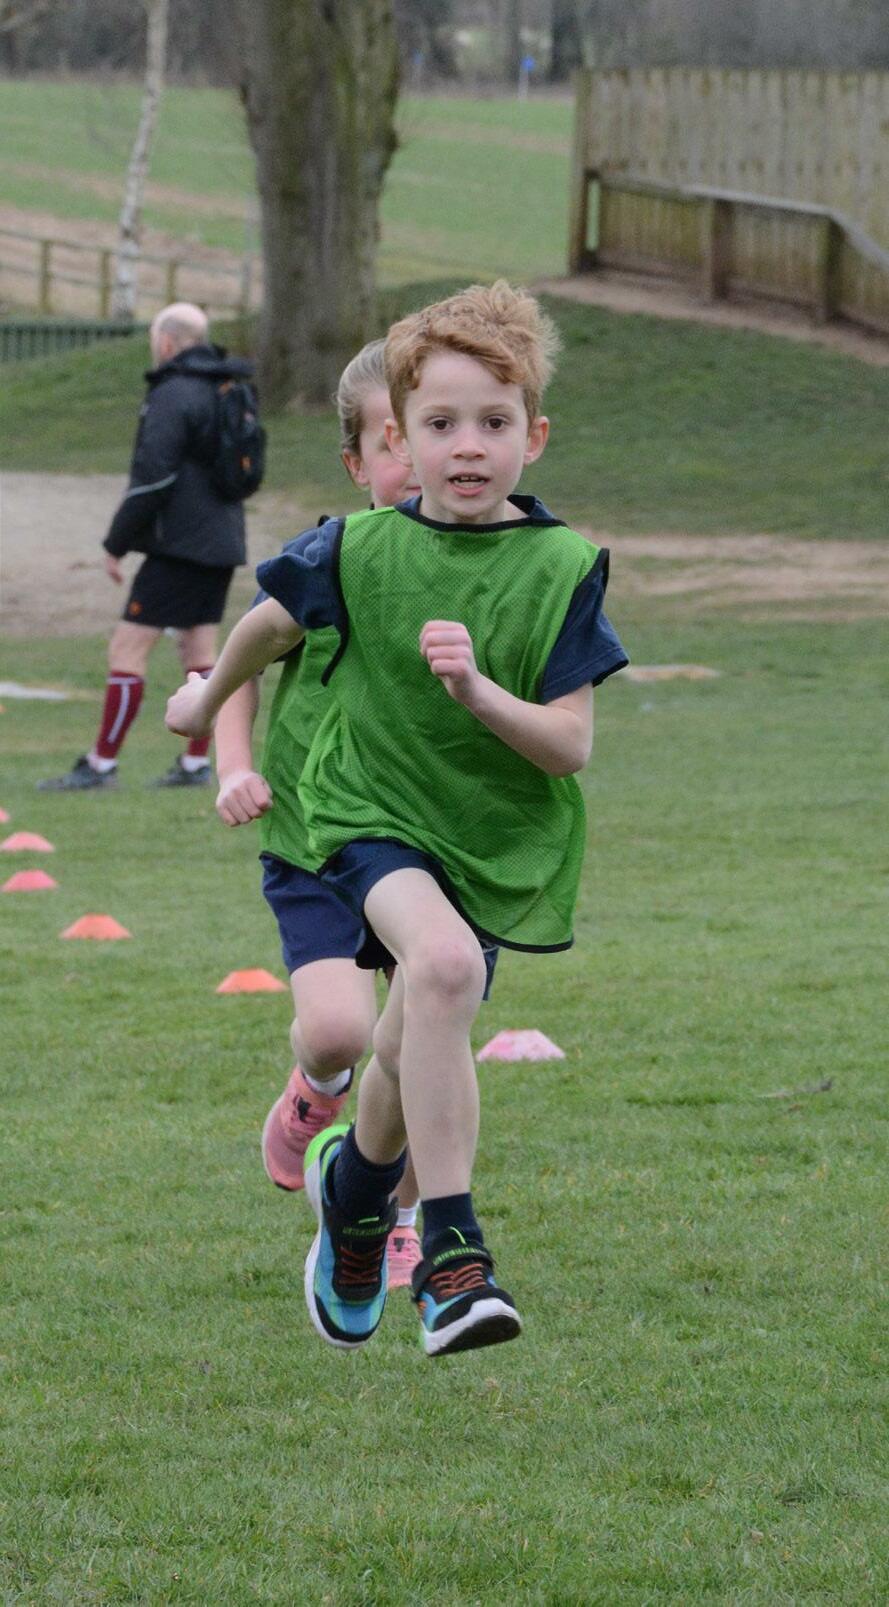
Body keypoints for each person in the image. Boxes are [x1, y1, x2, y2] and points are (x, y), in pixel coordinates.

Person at [165, 281, 628, 1359]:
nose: (467, 445)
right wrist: (204, 702)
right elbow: (263, 628)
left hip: (490, 840)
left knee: (407, 1036)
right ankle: (454, 1258)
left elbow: (568, 746)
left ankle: (358, 1196)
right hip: (363, 813)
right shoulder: (355, 548)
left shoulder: (564, 568)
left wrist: (479, 695)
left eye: (493, 422)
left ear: (534, 436)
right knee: (444, 969)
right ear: (400, 442)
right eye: (440, 423)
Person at [212, 339, 425, 1289]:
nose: (417, 458)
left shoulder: (486, 565)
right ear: (356, 462)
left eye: (432, 430)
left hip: (428, 849)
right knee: (343, 1031)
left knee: (416, 1046)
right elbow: (239, 666)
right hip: (314, 844)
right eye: (393, 441)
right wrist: (233, 766)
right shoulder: (326, 561)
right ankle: (315, 1088)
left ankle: (404, 1219)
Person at [39, 301, 252, 792]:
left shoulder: (173, 392)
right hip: (222, 542)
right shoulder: (229, 387)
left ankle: (101, 765)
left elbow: (152, 478)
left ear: (166, 342)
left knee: (128, 646)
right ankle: (195, 765)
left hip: (179, 547)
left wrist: (116, 543)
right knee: (199, 649)